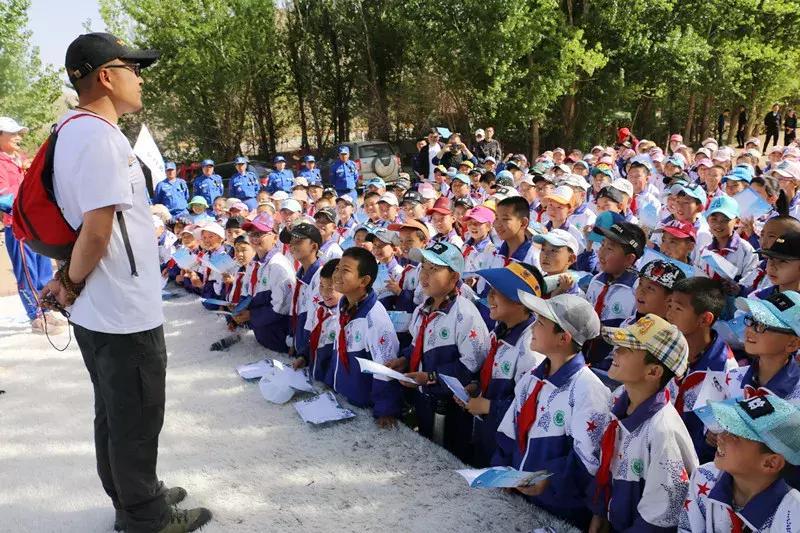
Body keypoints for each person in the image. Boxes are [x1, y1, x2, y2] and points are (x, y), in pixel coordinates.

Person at [43, 32, 211, 532]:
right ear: (105, 76)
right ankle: (145, 517)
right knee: (136, 417)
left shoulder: (71, 130)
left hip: (102, 304)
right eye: (133, 67)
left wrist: (69, 283)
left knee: (116, 412)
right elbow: (95, 232)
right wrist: (69, 285)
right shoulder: (98, 137)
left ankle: (132, 493)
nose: (140, 78)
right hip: (119, 307)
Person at [495, 294, 610, 529]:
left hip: (559, 510)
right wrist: (502, 468)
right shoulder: (532, 379)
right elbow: (510, 429)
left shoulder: (587, 390)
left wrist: (549, 480)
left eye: (540, 323)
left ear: (563, 338)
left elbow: (588, 461)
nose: (533, 328)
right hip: (519, 497)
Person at [588, 315, 699, 533]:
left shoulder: (662, 432)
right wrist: (599, 515)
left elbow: (658, 518)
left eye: (626, 349)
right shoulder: (620, 400)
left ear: (653, 372)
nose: (615, 352)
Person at [398, 241, 490, 462]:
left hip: (452, 410)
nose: (425, 275)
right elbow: (417, 345)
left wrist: (430, 377)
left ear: (453, 277)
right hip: (424, 401)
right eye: (424, 267)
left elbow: (472, 364)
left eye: (435, 269)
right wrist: (404, 359)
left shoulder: (465, 315)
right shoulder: (422, 310)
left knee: (449, 459)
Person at [461, 263, 546, 467]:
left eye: (497, 292)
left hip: (506, 442)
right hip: (487, 428)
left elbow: (529, 402)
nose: (489, 296)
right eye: (490, 290)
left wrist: (489, 406)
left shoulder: (530, 345)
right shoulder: (501, 329)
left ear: (520, 302)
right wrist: (477, 388)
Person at [681, 394, 800, 533]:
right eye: (725, 428)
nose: (720, 437)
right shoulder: (703, 477)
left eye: (734, 435)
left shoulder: (794, 516)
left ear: (770, 463)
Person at [0, 116, 63, 335]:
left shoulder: (20, 159)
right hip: (17, 227)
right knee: (27, 273)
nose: (18, 138)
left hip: (35, 225)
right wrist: (24, 201)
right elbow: (2, 198)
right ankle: (35, 316)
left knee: (44, 268)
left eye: (19, 134)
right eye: (13, 134)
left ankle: (47, 309)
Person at [328, 247, 402, 427]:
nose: (337, 275)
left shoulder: (374, 318)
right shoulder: (343, 305)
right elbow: (339, 347)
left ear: (364, 280)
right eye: (337, 268)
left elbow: (385, 368)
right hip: (343, 397)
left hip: (364, 408)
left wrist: (385, 410)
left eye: (345, 271)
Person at [666, 277, 738, 463]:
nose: (669, 315)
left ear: (705, 319)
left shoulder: (724, 371)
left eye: (678, 309)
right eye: (670, 305)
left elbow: (711, 439)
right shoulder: (666, 346)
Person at [584, 221, 646, 368]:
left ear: (629, 259)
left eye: (610, 248)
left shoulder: (638, 290)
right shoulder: (597, 280)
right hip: (585, 355)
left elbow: (635, 335)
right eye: (603, 244)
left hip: (614, 365)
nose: (601, 252)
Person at [725, 291, 800, 403]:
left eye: (762, 325)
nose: (749, 330)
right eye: (751, 321)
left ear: (792, 344)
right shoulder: (733, 377)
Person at [235, 214, 295, 353]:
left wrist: (251, 315)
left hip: (278, 338)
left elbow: (281, 308)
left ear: (274, 237)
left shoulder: (278, 266)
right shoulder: (254, 263)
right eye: (252, 234)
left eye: (260, 234)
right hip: (262, 335)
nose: (255, 238)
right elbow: (248, 291)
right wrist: (240, 309)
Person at [293, 258, 341, 385]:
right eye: (321, 285)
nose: (324, 292)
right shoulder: (321, 309)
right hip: (316, 377)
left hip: (331, 384)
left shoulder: (343, 318)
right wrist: (304, 357)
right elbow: (316, 340)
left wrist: (328, 381)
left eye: (331, 288)